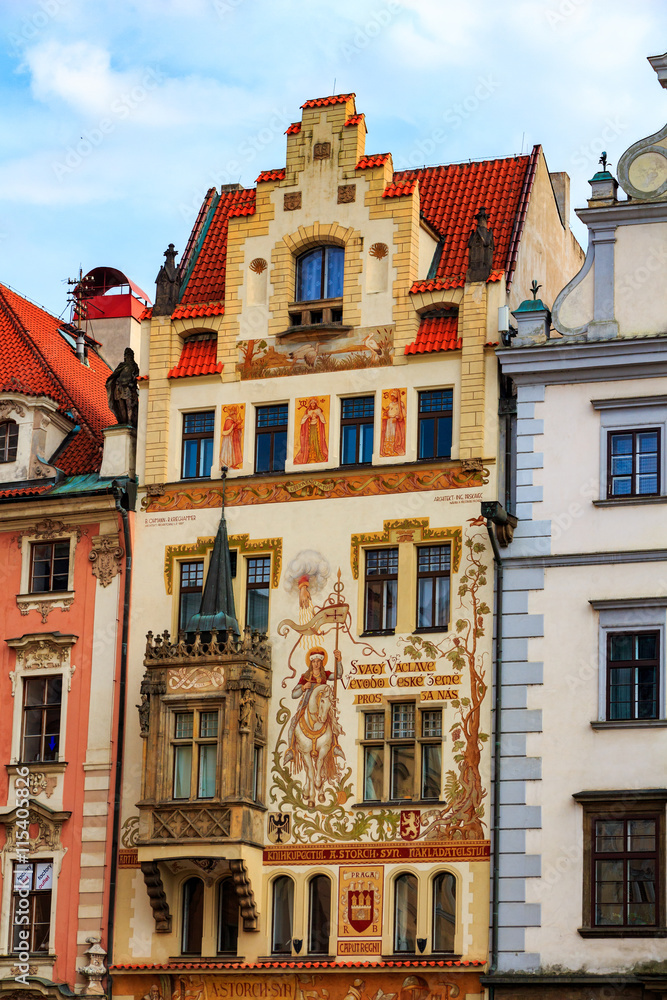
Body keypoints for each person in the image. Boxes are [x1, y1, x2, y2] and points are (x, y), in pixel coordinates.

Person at [284, 646, 343, 764]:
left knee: (333, 722)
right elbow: (294, 695)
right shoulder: (305, 677)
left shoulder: (325, 675)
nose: (316, 664)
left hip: (323, 705)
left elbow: (338, 675)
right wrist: (303, 687)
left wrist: (339, 660)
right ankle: (291, 750)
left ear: (321, 662)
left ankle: (335, 746)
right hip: (306, 704)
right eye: (314, 661)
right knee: (293, 722)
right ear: (311, 662)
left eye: (318, 661)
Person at [295, 398, 328, 464]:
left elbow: (322, 418)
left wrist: (318, 416)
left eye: (314, 403)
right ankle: (309, 456)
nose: (313, 404)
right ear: (310, 404)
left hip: (316, 427)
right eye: (311, 403)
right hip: (310, 428)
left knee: (316, 440)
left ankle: (318, 456)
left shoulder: (318, 410)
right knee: (310, 441)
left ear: (315, 404)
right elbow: (303, 419)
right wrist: (308, 417)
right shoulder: (308, 410)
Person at [380, 389, 406, 456]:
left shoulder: (400, 404)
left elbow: (404, 414)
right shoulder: (390, 404)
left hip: (395, 422)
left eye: (393, 396)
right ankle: (387, 450)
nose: (392, 398)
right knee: (388, 436)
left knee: (395, 436)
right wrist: (385, 413)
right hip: (389, 421)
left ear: (396, 397)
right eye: (391, 396)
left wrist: (398, 416)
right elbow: (387, 410)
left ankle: (394, 449)